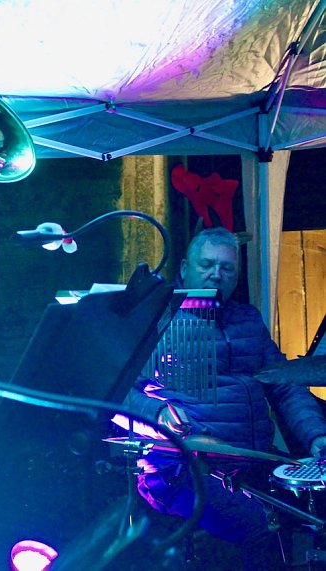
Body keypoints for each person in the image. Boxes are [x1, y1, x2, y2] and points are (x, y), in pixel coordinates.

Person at [121, 226, 326, 570]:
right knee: (260, 527)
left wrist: (316, 434)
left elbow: (285, 385)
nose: (217, 274)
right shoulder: (156, 320)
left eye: (227, 267)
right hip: (181, 468)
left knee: (311, 512)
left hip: (253, 460)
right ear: (185, 268)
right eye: (207, 265)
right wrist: (156, 412)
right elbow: (116, 393)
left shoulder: (248, 320)